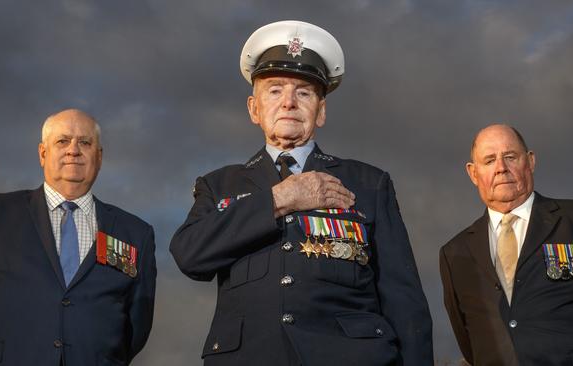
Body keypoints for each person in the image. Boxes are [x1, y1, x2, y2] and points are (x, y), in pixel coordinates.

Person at [170, 20, 433, 366]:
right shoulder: (218, 185)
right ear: (254, 109)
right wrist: (280, 199)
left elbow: (405, 301)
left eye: (304, 92)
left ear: (320, 112)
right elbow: (189, 256)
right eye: (275, 90)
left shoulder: (369, 183)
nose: (289, 103)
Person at [0, 109, 157, 366]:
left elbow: (137, 324)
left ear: (99, 156)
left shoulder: (135, 233)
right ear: (43, 153)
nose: (73, 150)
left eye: (84, 142)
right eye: (62, 141)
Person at [439, 124, 573, 365]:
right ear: (473, 173)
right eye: (489, 161)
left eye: (510, 157)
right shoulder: (453, 254)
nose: (501, 168)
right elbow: (467, 339)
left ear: (530, 161)